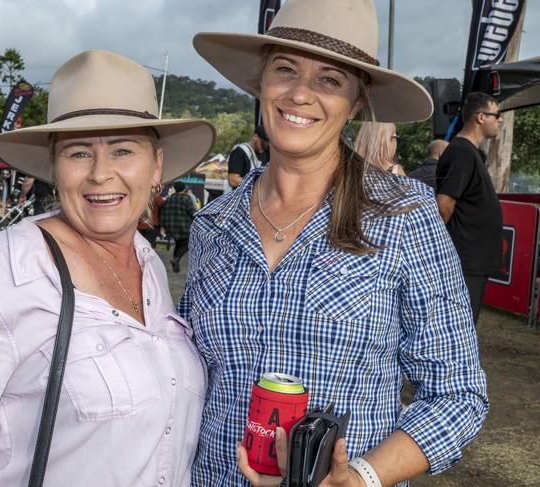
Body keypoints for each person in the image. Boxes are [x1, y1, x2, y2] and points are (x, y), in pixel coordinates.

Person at [186, 0, 488, 485]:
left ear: (358, 102)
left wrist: (362, 477)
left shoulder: (403, 215)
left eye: (330, 79)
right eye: (285, 69)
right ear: (261, 83)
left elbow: (457, 395)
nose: (300, 94)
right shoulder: (213, 226)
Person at [0, 50, 215, 486]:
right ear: (52, 167)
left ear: (156, 165)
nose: (101, 174)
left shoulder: (148, 263)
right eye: (79, 154)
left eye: (123, 150)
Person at [436, 92, 504, 323]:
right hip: (464, 260)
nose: (500, 120)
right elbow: (444, 205)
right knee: (458, 327)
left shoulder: (471, 153)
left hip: (473, 261)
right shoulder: (462, 152)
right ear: (480, 117)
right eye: (497, 115)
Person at [161, 181, 196, 273]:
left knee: (178, 244)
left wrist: (164, 225)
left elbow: (163, 213)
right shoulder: (186, 199)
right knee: (186, 245)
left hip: (172, 227)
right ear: (184, 188)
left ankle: (176, 265)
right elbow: (192, 213)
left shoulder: (169, 199)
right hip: (184, 226)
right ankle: (176, 259)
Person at [228, 124, 270, 189]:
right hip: (242, 196)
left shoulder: (267, 153)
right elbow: (233, 180)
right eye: (263, 143)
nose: (265, 147)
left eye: (268, 144)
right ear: (255, 136)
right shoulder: (240, 151)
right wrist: (258, 182)